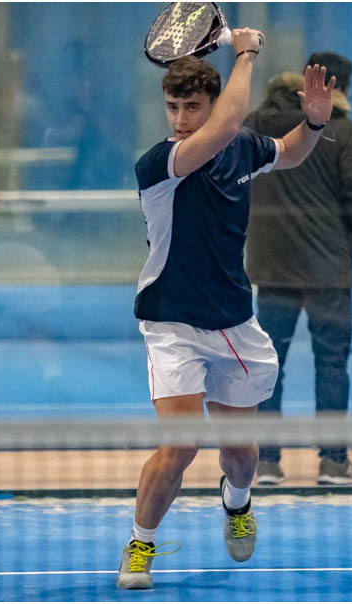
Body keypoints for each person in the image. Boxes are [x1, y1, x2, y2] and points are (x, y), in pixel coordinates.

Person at [117, 29, 337, 590]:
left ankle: (237, 502)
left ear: (211, 104)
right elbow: (226, 125)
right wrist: (246, 53)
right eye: (173, 106)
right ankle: (140, 546)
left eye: (192, 106)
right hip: (172, 323)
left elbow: (288, 152)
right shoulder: (161, 163)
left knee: (240, 453)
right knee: (182, 444)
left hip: (235, 322)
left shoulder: (241, 148)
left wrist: (314, 124)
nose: (180, 118)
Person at [244, 53, 352, 486]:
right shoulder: (341, 129)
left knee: (269, 366)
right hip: (329, 273)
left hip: (272, 268)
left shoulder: (254, 124)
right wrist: (347, 238)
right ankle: (333, 462)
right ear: (338, 88)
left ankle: (266, 462)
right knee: (332, 364)